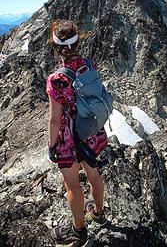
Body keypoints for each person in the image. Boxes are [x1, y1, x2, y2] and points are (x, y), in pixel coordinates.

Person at [46, 19, 108, 245]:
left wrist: (52, 146)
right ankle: (99, 214)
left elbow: (54, 120)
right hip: (90, 131)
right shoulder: (89, 65)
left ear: (55, 46)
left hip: (68, 140)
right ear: (77, 43)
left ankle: (78, 230)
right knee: (93, 174)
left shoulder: (56, 80)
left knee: (72, 185)